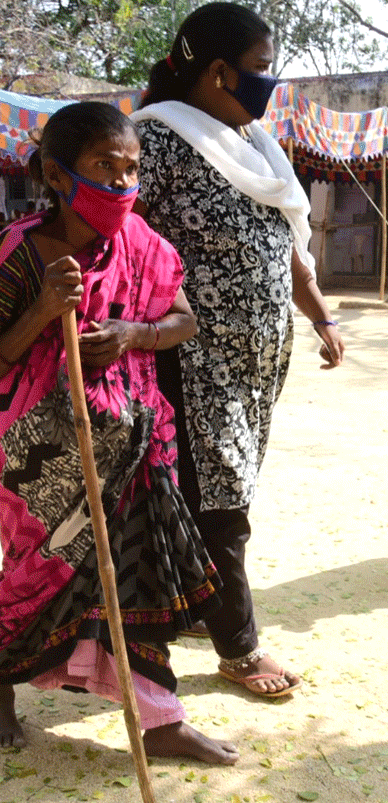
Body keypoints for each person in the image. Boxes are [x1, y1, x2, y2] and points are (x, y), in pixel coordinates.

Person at [0, 101, 238, 765]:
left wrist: (135, 335)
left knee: (137, 581)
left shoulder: (147, 247)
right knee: (34, 577)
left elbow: (182, 320)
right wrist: (46, 308)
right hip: (39, 459)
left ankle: (159, 721)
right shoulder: (20, 251)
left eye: (131, 167)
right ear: (56, 174)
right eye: (105, 166)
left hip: (135, 446)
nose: (122, 182)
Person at [130, 3, 344, 698]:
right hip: (188, 364)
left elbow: (286, 249)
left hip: (253, 368)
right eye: (258, 68)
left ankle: (194, 604)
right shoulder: (155, 141)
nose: (267, 82)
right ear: (218, 70)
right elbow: (112, 241)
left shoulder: (252, 144)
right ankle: (239, 645)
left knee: (211, 493)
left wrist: (320, 318)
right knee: (222, 503)